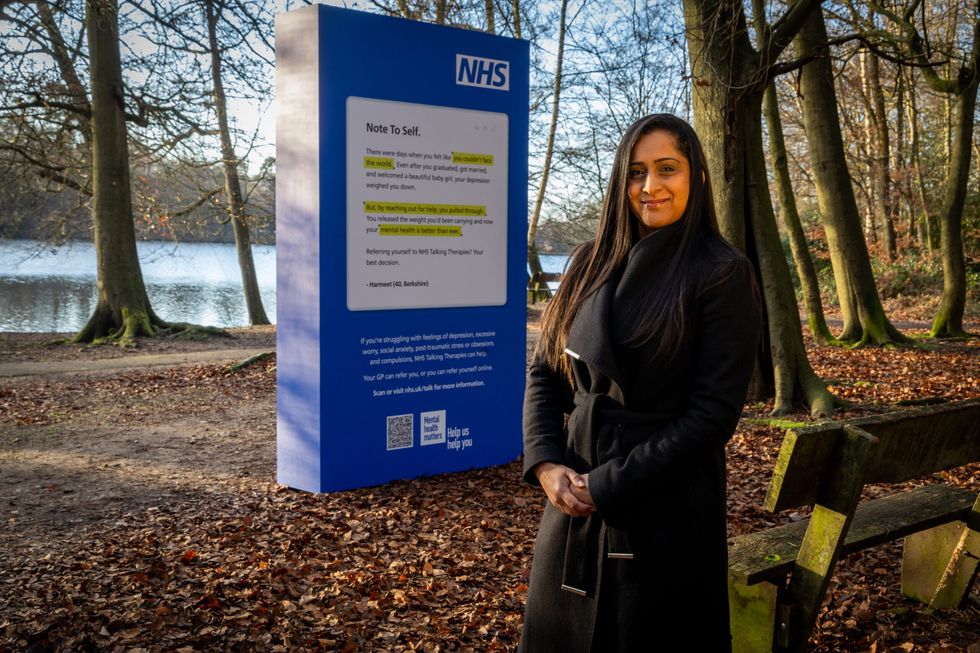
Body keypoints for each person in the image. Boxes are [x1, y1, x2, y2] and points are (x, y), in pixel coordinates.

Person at [518, 113, 762, 652]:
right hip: (572, 502)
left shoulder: (721, 271)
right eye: (636, 172)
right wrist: (545, 463)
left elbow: (712, 415)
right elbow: (545, 373)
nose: (650, 187)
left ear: (696, 175)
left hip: (664, 508)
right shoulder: (587, 261)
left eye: (666, 169)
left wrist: (606, 486)